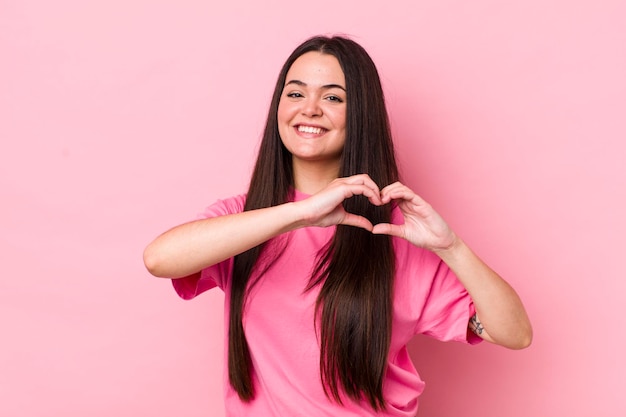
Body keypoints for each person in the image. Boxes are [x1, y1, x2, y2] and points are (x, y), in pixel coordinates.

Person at [143, 35, 532, 416]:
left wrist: (452, 248)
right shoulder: (245, 220)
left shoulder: (393, 234)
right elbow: (160, 259)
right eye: (295, 94)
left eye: (332, 97)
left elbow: (514, 333)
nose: (309, 109)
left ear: (360, 114)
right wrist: (301, 213)